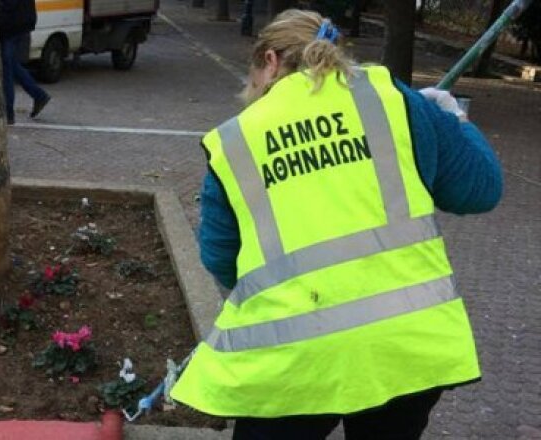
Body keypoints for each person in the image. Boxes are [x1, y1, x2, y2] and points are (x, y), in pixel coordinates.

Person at [170, 9, 502, 440]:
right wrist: (452, 120)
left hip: (292, 358)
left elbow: (220, 258)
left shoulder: (238, 139)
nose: (250, 91)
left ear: (270, 61)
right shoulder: (396, 101)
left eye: (250, 78)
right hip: (405, 351)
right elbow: (481, 189)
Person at [0, 0, 52, 125]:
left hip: (11, 24)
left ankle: (8, 112)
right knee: (10, 64)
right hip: (22, 22)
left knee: (7, 69)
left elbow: (7, 5)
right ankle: (38, 95)